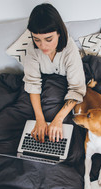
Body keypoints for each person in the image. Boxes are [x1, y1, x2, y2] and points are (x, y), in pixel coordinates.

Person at [23, 3, 86, 143]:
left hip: (66, 83)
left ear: (59, 32)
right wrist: (40, 119)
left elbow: (76, 88)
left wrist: (58, 119)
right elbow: (32, 83)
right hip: (45, 82)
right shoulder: (32, 49)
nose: (43, 46)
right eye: (37, 39)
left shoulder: (70, 50)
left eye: (48, 39)